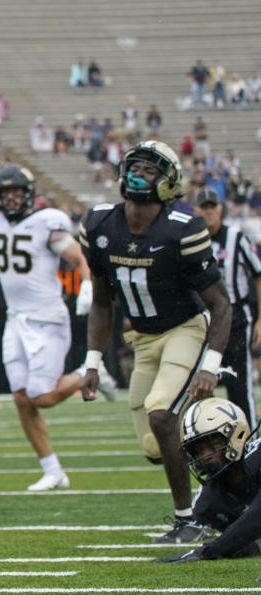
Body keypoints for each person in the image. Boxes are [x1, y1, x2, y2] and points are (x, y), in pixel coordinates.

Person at [0, 121, 116, 491]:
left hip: (48, 319)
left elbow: (79, 257)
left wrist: (88, 284)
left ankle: (89, 374)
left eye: (18, 193)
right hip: (16, 320)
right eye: (6, 194)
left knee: (41, 396)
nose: (11, 200)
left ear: (29, 195)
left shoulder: (48, 222)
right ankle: (52, 470)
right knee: (21, 398)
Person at [79, 140, 233, 543]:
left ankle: (191, 518)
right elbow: (101, 301)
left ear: (168, 183)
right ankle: (225, 476)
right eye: (135, 166)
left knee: (161, 414)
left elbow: (221, 303)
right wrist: (92, 361)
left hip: (185, 330)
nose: (139, 175)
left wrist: (209, 366)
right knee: (154, 445)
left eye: (150, 170)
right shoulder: (98, 226)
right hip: (143, 340)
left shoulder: (183, 228)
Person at [156, 397, 260, 563]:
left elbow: (257, 516)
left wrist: (209, 551)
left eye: (212, 446)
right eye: (198, 450)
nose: (205, 457)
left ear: (235, 436)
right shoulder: (208, 504)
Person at [191, 186, 261, 428]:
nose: (209, 212)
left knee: (239, 386)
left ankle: (251, 445)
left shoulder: (237, 238)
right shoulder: (191, 240)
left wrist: (260, 318)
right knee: (199, 387)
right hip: (202, 320)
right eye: (204, 208)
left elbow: (258, 275)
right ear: (196, 210)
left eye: (212, 207)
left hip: (236, 317)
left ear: (220, 208)